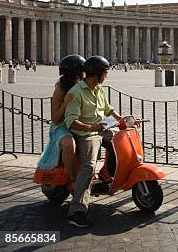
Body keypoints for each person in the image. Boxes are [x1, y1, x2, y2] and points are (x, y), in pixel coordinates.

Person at [64, 56, 127, 228]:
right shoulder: (75, 93)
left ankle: (107, 177)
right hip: (85, 134)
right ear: (96, 74)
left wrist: (121, 120)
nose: (106, 76)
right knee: (89, 166)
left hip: (102, 129)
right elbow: (71, 121)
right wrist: (91, 127)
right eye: (105, 73)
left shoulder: (99, 89)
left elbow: (107, 108)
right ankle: (76, 210)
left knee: (122, 143)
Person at [37, 55, 85, 186]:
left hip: (80, 123)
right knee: (69, 144)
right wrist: (64, 105)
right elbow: (55, 118)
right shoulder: (60, 89)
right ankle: (73, 179)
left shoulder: (84, 86)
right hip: (61, 126)